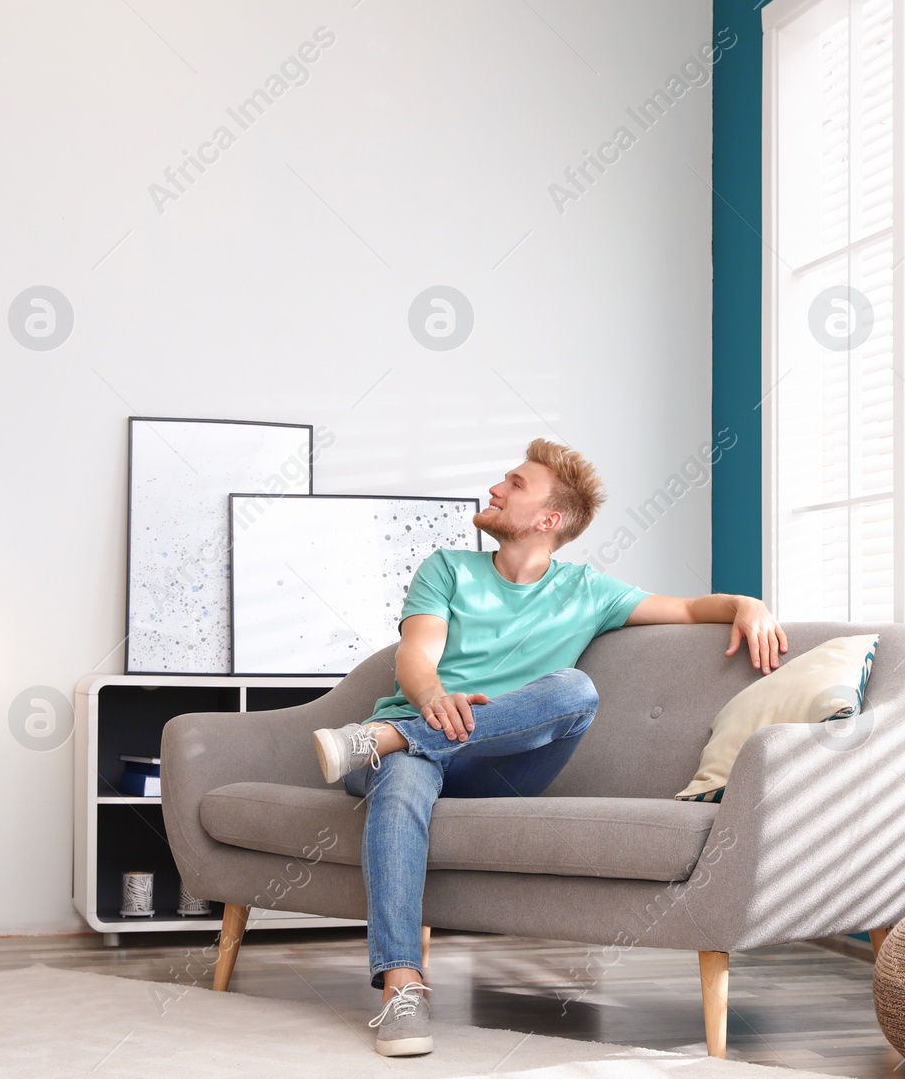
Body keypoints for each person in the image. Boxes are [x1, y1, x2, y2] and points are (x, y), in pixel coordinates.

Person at [310, 438, 788, 1056]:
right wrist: (430, 699)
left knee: (574, 689)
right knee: (402, 777)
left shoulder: (588, 590)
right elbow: (416, 653)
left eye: (514, 483)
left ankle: (385, 739)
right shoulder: (448, 568)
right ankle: (402, 989)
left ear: (548, 519)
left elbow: (691, 606)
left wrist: (748, 604)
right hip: (405, 754)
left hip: (491, 766)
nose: (495, 489)